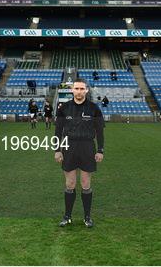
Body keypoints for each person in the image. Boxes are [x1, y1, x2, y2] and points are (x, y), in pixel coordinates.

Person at [54, 79, 104, 228]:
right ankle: (67, 216)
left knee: (85, 183)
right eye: (77, 88)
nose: (79, 91)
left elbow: (100, 132)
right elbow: (57, 131)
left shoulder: (94, 108)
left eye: (82, 88)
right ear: (72, 90)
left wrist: (100, 150)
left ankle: (87, 217)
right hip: (69, 147)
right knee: (70, 183)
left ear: (86, 90)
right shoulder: (64, 108)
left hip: (87, 147)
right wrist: (57, 150)